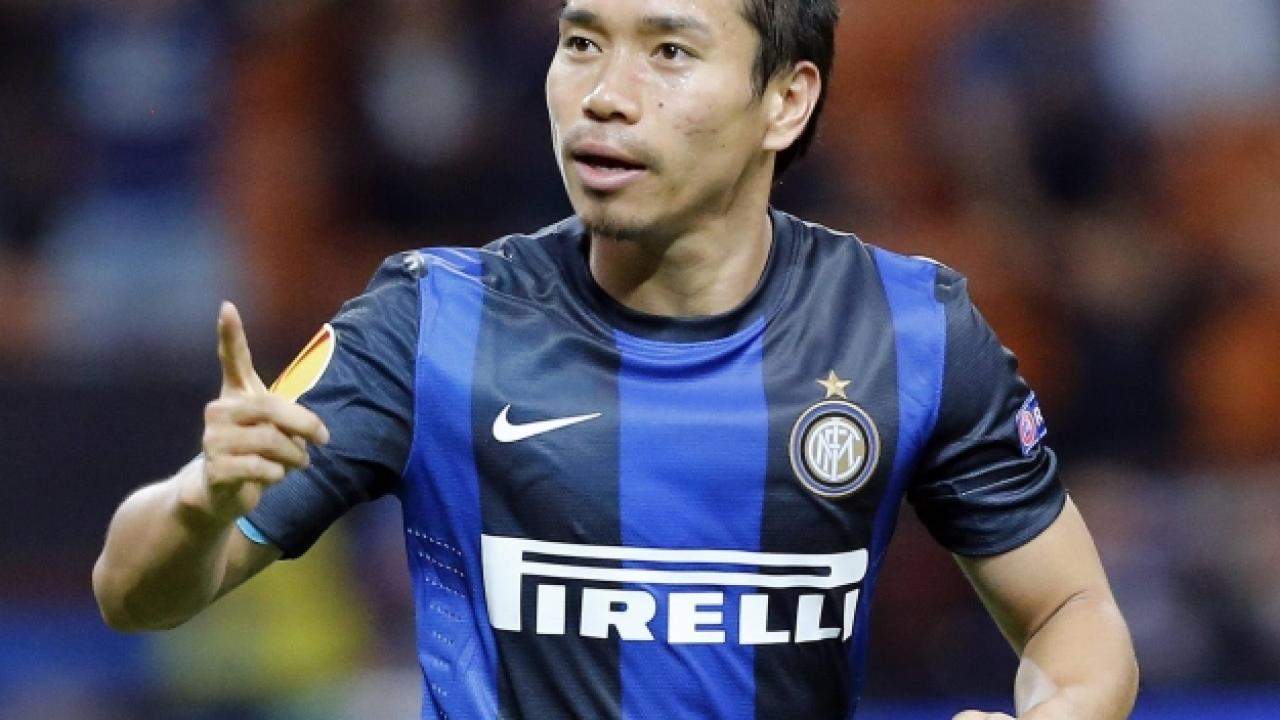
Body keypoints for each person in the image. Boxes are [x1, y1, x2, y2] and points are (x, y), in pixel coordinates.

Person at [93, 1, 1139, 717]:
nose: (603, 94)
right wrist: (199, 501)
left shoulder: (906, 330)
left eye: (669, 52)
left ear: (786, 99)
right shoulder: (432, 321)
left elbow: (1072, 612)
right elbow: (136, 594)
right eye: (582, 41)